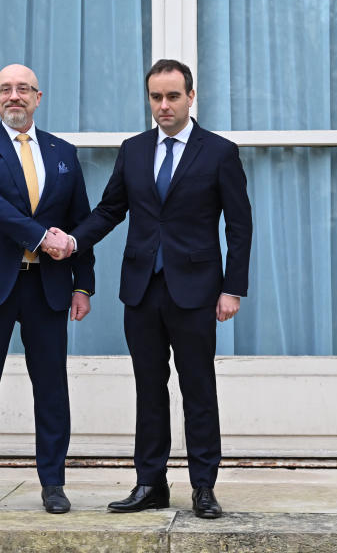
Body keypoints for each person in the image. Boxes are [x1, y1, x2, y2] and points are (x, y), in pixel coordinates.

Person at [48, 59, 252, 519]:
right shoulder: (134, 149)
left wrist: (232, 288)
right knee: (148, 388)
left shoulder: (219, 151)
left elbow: (240, 226)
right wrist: (74, 240)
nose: (163, 105)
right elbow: (109, 209)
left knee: (198, 388)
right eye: (156, 97)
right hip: (141, 290)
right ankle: (150, 483)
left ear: (190, 97)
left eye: (173, 96)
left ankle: (203, 486)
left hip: (197, 290)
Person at [0, 64, 95, 516]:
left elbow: (79, 221)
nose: (15, 96)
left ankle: (53, 483)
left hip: (47, 288)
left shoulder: (63, 152)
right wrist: (39, 236)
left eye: (24, 89)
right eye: (6, 90)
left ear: (38, 97)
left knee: (51, 388)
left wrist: (83, 285)